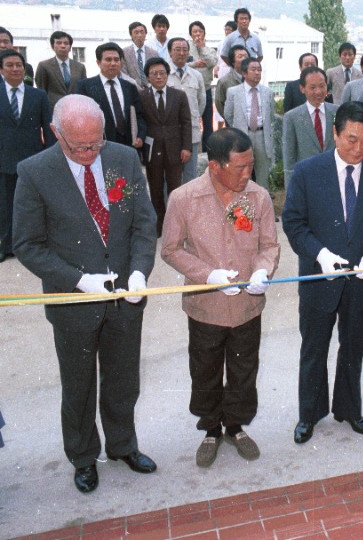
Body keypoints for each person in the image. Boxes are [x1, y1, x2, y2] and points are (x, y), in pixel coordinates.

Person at [13, 94, 158, 493]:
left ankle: (123, 446)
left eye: (96, 143)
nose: (90, 153)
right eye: (80, 146)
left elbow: (143, 223)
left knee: (124, 381)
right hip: (73, 302)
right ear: (57, 134)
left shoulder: (122, 160)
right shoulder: (36, 172)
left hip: (125, 299)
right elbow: (27, 244)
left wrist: (140, 272)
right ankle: (82, 456)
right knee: (78, 386)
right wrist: (78, 280)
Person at [282, 101, 363, 444]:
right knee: (314, 347)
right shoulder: (307, 172)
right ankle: (309, 414)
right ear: (334, 133)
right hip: (320, 278)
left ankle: (349, 409)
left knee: (353, 347)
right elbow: (294, 222)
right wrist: (320, 254)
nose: (359, 149)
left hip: (361, 280)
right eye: (351, 139)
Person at [161, 127, 280, 467]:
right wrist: (206, 275)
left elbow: (269, 245)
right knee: (206, 370)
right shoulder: (184, 199)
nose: (248, 174)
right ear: (214, 166)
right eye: (239, 167)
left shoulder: (257, 197)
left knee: (244, 369)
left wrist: (262, 271)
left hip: (246, 307)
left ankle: (236, 426)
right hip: (206, 308)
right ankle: (211, 429)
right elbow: (170, 249)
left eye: (251, 165)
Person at [0, 50, 55, 263]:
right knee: (5, 204)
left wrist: (50, 156)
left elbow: (48, 128)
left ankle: (33, 244)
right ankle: (6, 244)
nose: (15, 69)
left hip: (32, 158)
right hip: (3, 158)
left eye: (18, 65)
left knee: (33, 204)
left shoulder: (38, 95)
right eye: (9, 65)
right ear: (2, 69)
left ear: (24, 69)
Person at [139, 57, 192, 236]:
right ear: (148, 77)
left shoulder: (179, 95)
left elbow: (186, 123)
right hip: (152, 149)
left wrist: (187, 147)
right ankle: (159, 226)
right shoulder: (142, 96)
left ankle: (177, 228)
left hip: (175, 149)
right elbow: (139, 122)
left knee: (175, 190)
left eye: (162, 73)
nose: (159, 77)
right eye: (154, 73)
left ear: (167, 75)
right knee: (155, 190)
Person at [75, 42, 146, 150]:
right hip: (99, 146)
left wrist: (140, 136)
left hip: (129, 145)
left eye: (116, 60)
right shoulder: (85, 87)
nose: (113, 63)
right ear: (99, 63)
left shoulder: (130, 87)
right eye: (108, 60)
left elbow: (139, 115)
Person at [224, 58, 276, 194]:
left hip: (262, 136)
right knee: (241, 172)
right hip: (242, 136)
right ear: (244, 73)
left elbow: (271, 115)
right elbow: (228, 115)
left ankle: (262, 205)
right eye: (253, 69)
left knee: (262, 174)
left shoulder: (268, 92)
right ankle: (241, 207)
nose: (257, 73)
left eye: (259, 70)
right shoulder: (233, 92)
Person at [282, 66, 338, 187]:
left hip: (335, 178)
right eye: (312, 87)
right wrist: (290, 189)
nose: (318, 91)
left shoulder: (337, 112)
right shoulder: (292, 117)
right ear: (302, 88)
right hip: (306, 180)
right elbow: (289, 156)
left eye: (322, 86)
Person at [167, 38, 206, 185]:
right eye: (177, 49)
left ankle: (190, 207)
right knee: (171, 175)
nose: (181, 53)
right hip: (169, 133)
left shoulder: (196, 75)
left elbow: (201, 102)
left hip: (192, 133)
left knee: (190, 176)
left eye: (185, 49)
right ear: (170, 52)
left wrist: (192, 119)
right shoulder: (164, 74)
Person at [35, 31, 87, 107]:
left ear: (70, 47)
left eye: (66, 43)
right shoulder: (44, 66)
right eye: (59, 43)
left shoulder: (80, 67)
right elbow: (41, 90)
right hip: (54, 109)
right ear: (53, 46)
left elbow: (83, 90)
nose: (63, 46)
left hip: (75, 108)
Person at [187, 21, 218, 147]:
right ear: (190, 34)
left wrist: (202, 48)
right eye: (195, 32)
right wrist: (194, 64)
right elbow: (181, 65)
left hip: (206, 89)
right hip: (190, 90)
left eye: (200, 31)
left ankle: (207, 149)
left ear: (204, 33)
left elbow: (212, 62)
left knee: (207, 122)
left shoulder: (209, 50)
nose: (197, 34)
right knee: (190, 119)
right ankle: (190, 147)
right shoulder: (186, 49)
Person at [214, 45, 248, 121]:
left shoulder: (253, 78)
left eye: (246, 56)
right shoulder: (224, 81)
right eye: (240, 56)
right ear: (232, 61)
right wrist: (230, 119)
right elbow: (220, 104)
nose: (244, 59)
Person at [122, 22, 158, 90]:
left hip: (151, 90)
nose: (139, 35)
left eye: (142, 32)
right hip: (131, 90)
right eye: (136, 32)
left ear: (145, 34)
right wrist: (138, 88)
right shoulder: (124, 53)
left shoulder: (154, 53)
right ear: (131, 35)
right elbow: (124, 75)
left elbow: (156, 73)